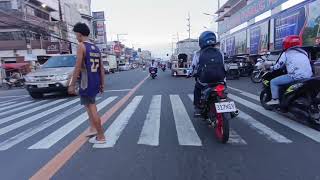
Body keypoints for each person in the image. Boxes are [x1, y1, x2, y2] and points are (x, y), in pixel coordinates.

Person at [68, 22, 106, 144]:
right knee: (88, 105)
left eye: (76, 34)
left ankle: (101, 136)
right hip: (95, 81)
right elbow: (101, 68)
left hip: (86, 82)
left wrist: (72, 84)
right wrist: (102, 83)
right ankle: (93, 128)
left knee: (91, 106)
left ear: (79, 34)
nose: (76, 37)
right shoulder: (95, 47)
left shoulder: (81, 46)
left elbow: (77, 66)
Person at [267, 35, 313, 105]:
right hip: (309, 76)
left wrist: (270, 68)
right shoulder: (304, 52)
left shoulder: (286, 53)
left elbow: (278, 66)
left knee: (273, 82)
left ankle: (275, 100)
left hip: (295, 76)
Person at [189, 31, 226, 116]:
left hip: (205, 81)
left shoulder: (198, 53)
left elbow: (193, 66)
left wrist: (190, 73)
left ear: (201, 41)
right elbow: (223, 64)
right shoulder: (220, 52)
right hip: (220, 80)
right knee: (224, 92)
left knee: (197, 88)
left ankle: (197, 107)